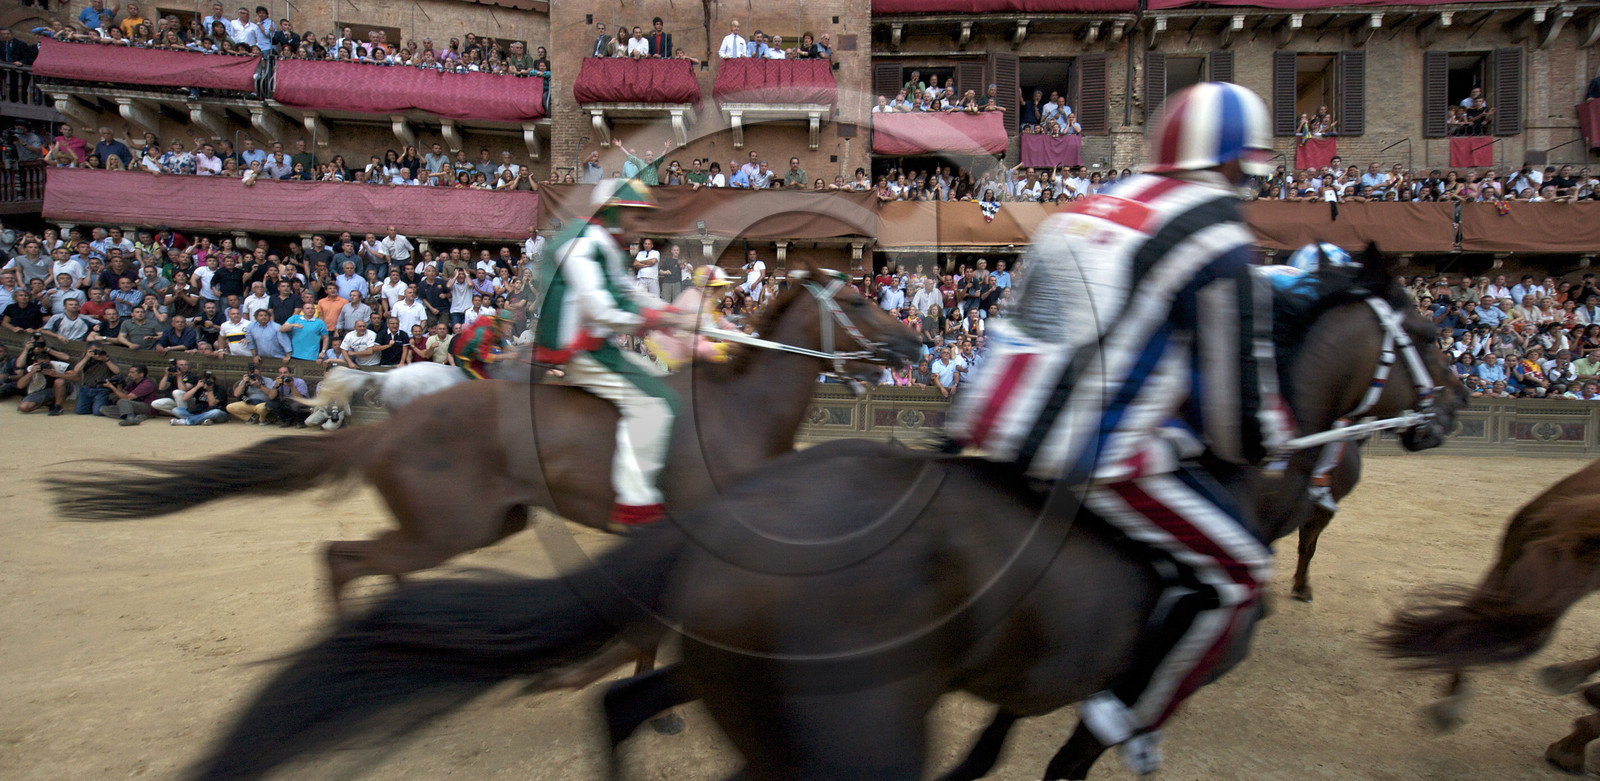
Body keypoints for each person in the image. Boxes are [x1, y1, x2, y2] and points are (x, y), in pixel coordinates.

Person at [946, 82, 1292, 776]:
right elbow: (1231, 417)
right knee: (1242, 573)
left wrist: (961, 427)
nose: (1244, 185)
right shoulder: (1219, 234)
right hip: (1100, 454)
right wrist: (1268, 437)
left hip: (998, 423)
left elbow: (1020, 322)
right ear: (1230, 163)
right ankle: (1130, 720)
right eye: (1243, 170)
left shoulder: (1091, 204)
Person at [534, 178, 695, 528]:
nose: (642, 228)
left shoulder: (604, 243)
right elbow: (601, 310)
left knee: (663, 383)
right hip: (580, 348)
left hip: (597, 344)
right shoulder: (583, 242)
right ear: (611, 213)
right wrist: (655, 319)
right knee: (654, 407)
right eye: (636, 218)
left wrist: (671, 314)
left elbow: (628, 291)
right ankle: (635, 506)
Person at [448, 306, 515, 379]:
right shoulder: (485, 331)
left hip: (477, 353)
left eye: (510, 324)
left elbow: (498, 339)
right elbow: (482, 356)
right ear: (500, 321)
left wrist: (507, 347)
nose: (510, 327)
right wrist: (505, 356)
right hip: (466, 358)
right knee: (486, 382)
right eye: (507, 323)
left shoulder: (495, 325)